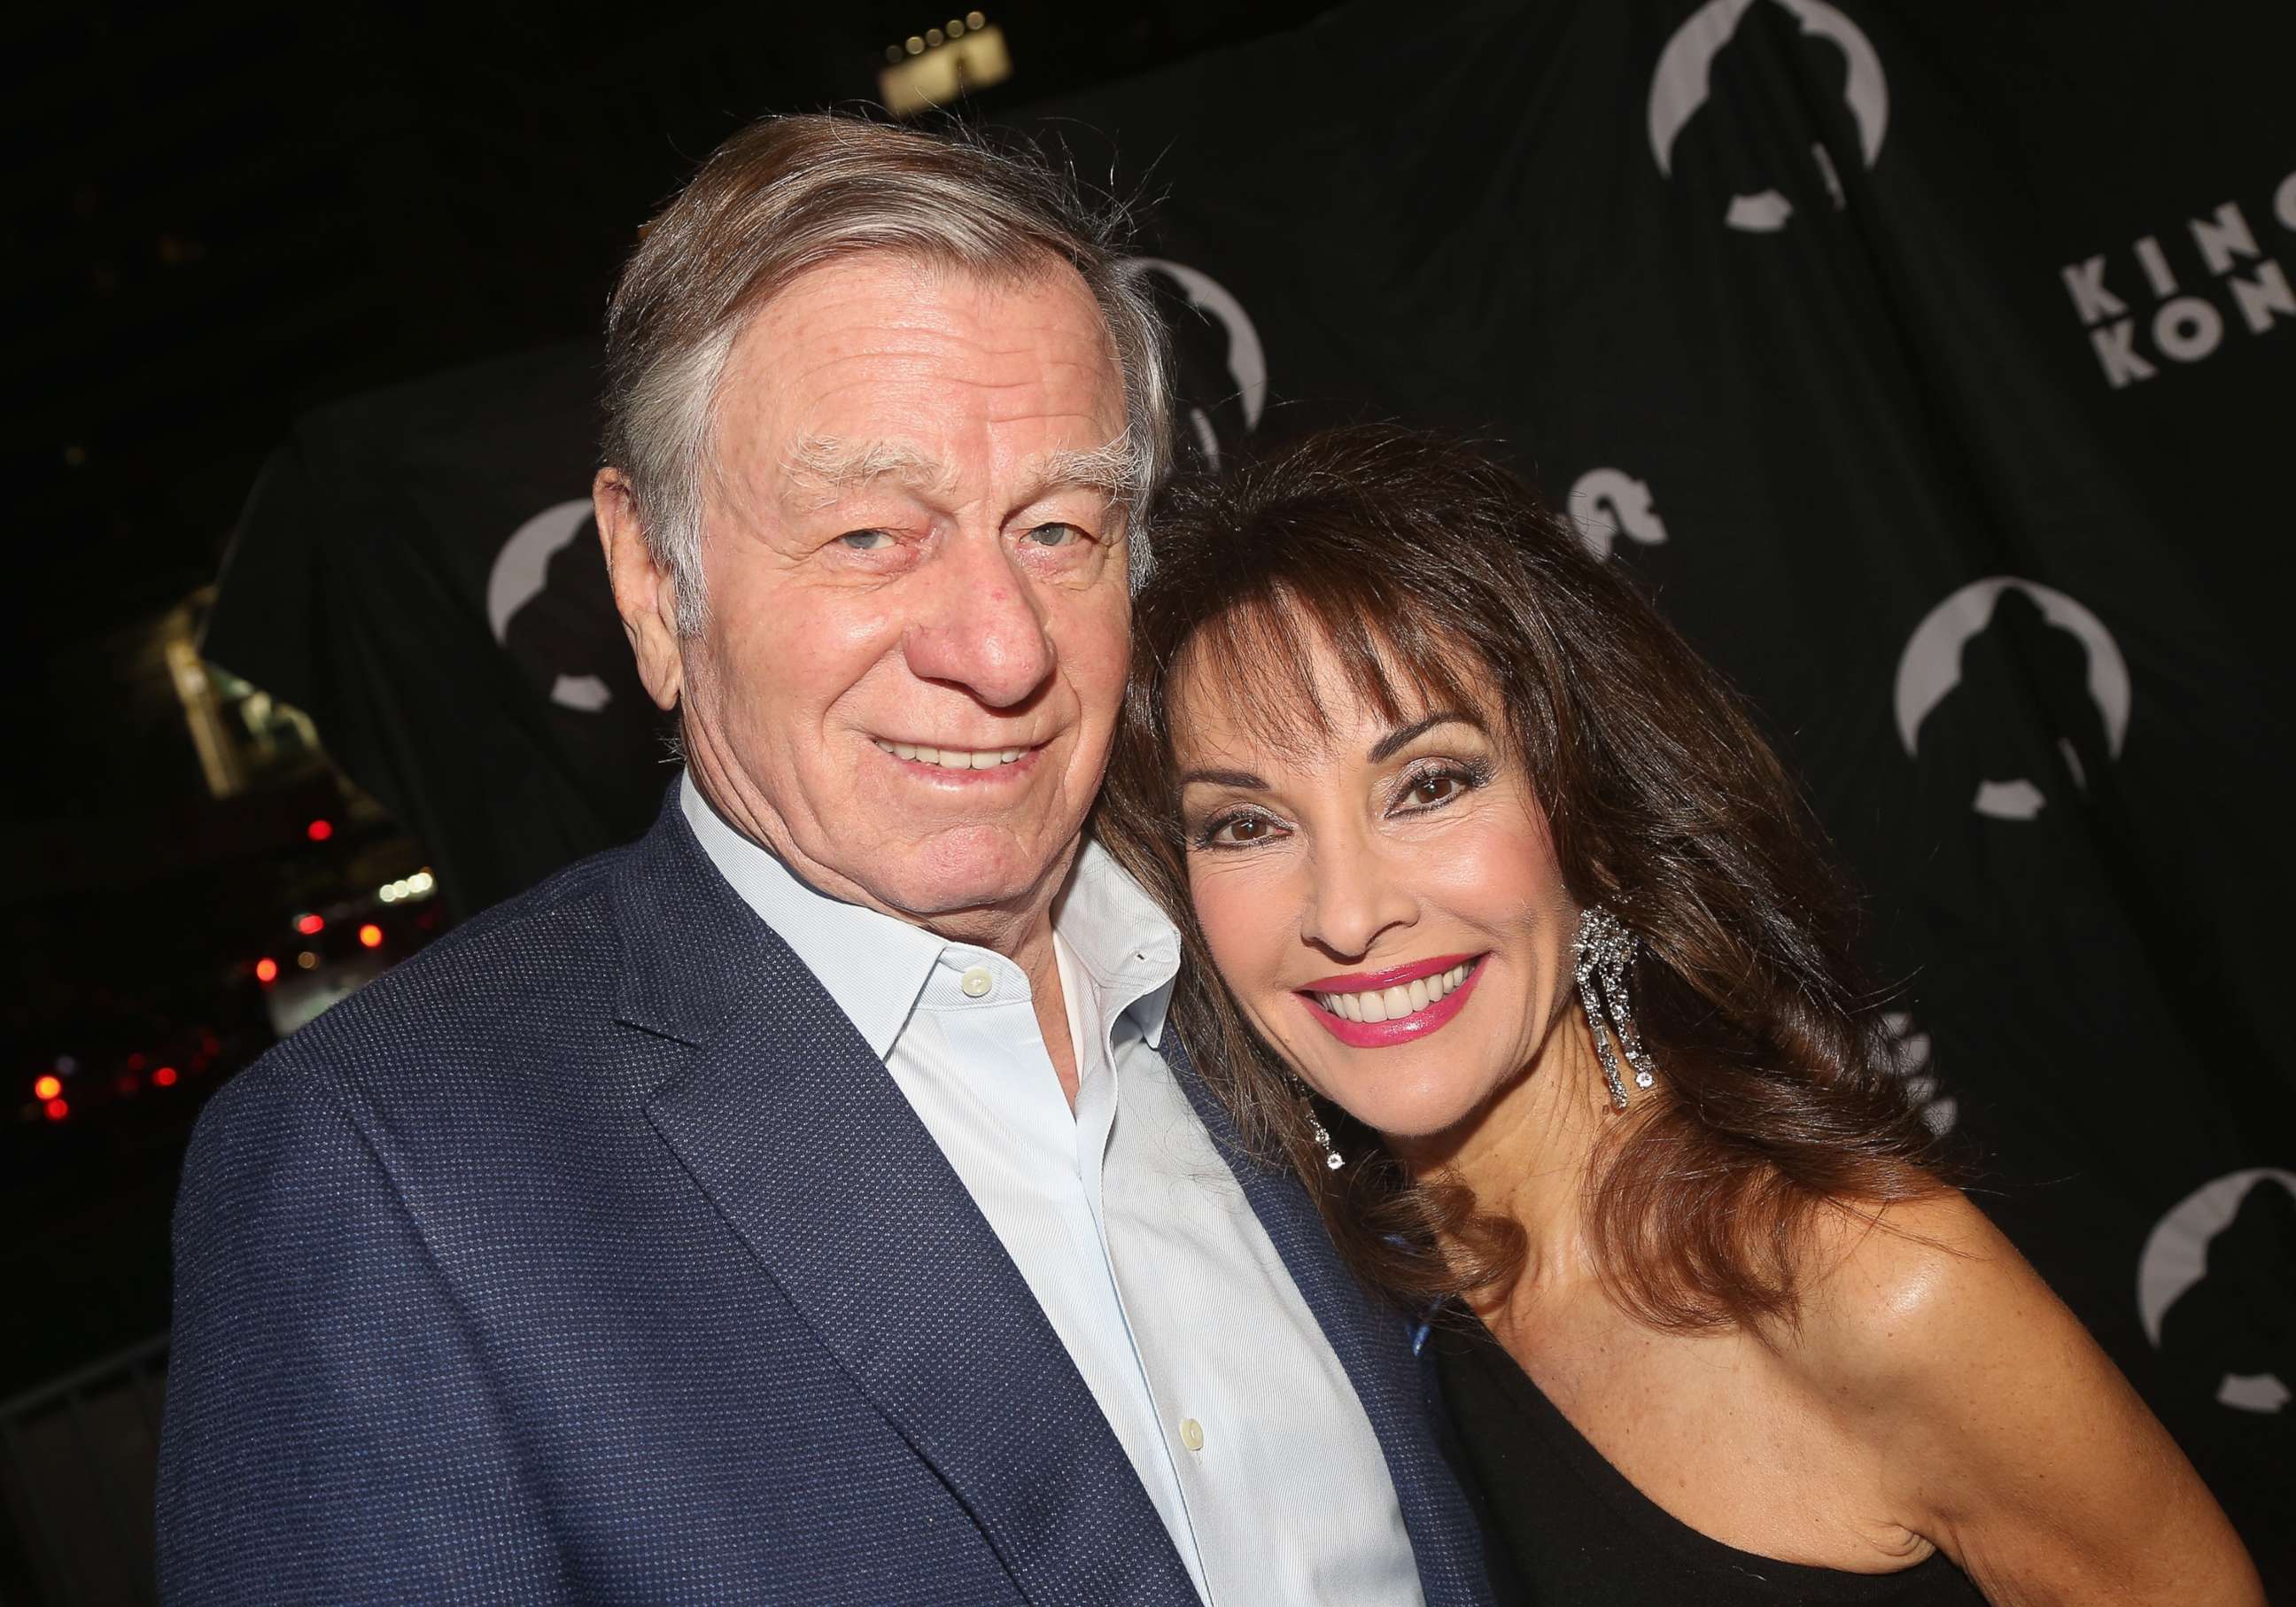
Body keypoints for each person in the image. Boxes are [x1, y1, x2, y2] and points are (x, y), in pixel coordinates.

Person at [155, 120, 1494, 1605]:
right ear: (654, 587)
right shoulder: (389, 1181)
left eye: (1057, 527)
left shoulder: (1295, 964)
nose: (1000, 646)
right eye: (870, 533)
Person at [1096, 427, 2265, 1606]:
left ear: (1588, 819)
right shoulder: (1298, 1300)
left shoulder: (1869, 1284)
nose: (1346, 912)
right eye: (1245, 823)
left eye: (1431, 785)